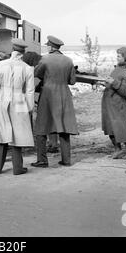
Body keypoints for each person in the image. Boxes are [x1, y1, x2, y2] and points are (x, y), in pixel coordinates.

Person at [0, 38, 35, 175]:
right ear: (23, 52)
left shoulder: (1, 64)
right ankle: (18, 168)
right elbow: (30, 91)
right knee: (18, 134)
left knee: (2, 133)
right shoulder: (27, 68)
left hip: (2, 99)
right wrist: (30, 107)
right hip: (19, 100)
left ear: (12, 50)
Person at [32, 35, 78, 168]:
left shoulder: (44, 59)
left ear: (51, 47)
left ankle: (42, 160)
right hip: (64, 95)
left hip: (48, 94)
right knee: (63, 128)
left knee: (41, 127)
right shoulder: (69, 61)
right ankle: (66, 160)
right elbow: (72, 81)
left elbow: (37, 74)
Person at [22, 51, 59, 153]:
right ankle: (53, 143)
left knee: (45, 120)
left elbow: (43, 77)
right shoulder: (46, 62)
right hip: (55, 93)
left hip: (49, 94)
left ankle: (51, 144)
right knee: (52, 119)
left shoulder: (41, 65)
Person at [101, 47, 126, 159]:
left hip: (118, 105)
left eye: (119, 56)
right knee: (110, 127)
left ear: (125, 57)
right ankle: (117, 149)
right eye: (117, 55)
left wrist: (113, 82)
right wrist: (105, 83)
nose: (117, 57)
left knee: (121, 127)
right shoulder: (116, 69)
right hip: (108, 104)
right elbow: (112, 83)